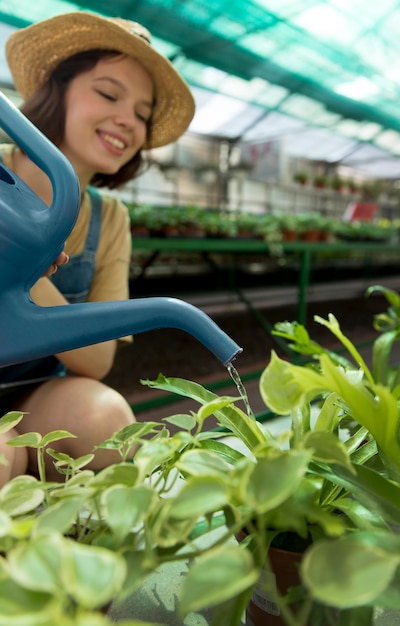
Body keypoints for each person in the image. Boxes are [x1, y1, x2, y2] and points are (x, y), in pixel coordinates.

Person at [0, 11, 195, 485]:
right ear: (57, 91)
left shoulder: (109, 219)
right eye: (108, 94)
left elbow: (98, 360)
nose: (127, 120)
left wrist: (23, 271)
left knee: (104, 422)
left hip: (29, 396)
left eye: (143, 115)